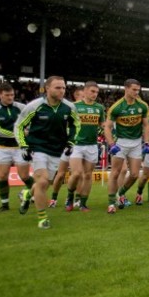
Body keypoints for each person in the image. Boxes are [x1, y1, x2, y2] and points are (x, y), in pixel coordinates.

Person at [15, 76, 80, 229]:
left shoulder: (69, 107)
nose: (62, 90)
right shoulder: (35, 106)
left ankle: (27, 194)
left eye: (63, 87)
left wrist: (71, 142)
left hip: (56, 151)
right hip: (37, 148)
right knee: (42, 181)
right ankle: (42, 219)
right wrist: (24, 146)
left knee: (45, 184)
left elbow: (76, 125)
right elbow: (19, 126)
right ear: (47, 89)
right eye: (58, 87)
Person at [104, 79, 149, 213]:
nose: (137, 92)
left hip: (136, 143)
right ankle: (111, 203)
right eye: (134, 89)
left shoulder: (142, 106)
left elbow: (147, 125)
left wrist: (146, 142)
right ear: (126, 89)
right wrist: (111, 144)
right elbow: (107, 127)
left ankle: (120, 193)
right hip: (120, 142)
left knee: (135, 174)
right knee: (115, 172)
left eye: (138, 90)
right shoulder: (116, 107)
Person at [0, 83, 33, 212]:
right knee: (2, 176)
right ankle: (5, 205)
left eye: (12, 95)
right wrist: (19, 133)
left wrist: (27, 130)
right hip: (2, 148)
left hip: (20, 148)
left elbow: (32, 121)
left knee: (24, 176)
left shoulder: (22, 107)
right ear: (0, 95)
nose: (10, 97)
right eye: (7, 95)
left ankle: (33, 193)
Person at [61, 81, 105, 211]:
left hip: (92, 145)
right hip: (76, 145)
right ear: (85, 91)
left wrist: (108, 131)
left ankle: (83, 203)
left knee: (87, 175)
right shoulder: (73, 106)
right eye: (92, 91)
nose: (95, 94)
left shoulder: (99, 108)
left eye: (97, 92)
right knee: (77, 173)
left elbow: (102, 124)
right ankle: (69, 197)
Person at [48, 87, 84, 207]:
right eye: (82, 96)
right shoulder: (69, 108)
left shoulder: (88, 109)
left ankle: (77, 199)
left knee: (78, 174)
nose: (84, 99)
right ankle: (54, 198)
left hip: (80, 145)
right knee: (61, 174)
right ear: (76, 96)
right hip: (66, 145)